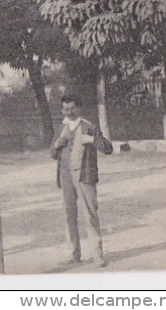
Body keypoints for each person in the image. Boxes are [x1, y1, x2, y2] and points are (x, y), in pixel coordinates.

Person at [51, 94, 113, 267]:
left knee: (90, 214)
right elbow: (52, 152)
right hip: (65, 177)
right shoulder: (60, 128)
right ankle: (74, 254)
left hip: (84, 175)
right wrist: (57, 145)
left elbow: (108, 148)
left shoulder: (89, 127)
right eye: (65, 109)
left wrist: (92, 140)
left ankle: (97, 255)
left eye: (72, 108)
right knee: (69, 215)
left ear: (79, 108)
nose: (69, 112)